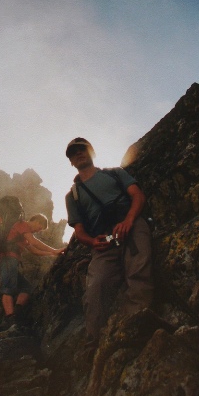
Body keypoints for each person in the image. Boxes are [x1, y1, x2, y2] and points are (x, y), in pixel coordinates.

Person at [65, 137, 154, 348]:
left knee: (138, 267)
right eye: (73, 152)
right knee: (96, 286)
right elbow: (79, 231)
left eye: (82, 149)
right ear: (71, 161)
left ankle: (136, 323)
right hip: (104, 239)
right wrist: (93, 242)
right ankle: (95, 341)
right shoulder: (73, 195)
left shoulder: (114, 173)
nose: (78, 153)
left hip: (131, 224)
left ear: (91, 153)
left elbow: (137, 196)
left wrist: (128, 221)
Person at [0, 213, 65, 331]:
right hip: (8, 259)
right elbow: (34, 242)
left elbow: (34, 251)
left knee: (26, 288)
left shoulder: (23, 235)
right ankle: (10, 320)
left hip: (12, 261)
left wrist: (52, 254)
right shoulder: (22, 224)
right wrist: (54, 249)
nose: (38, 230)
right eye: (40, 227)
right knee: (8, 289)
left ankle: (16, 314)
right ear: (37, 221)